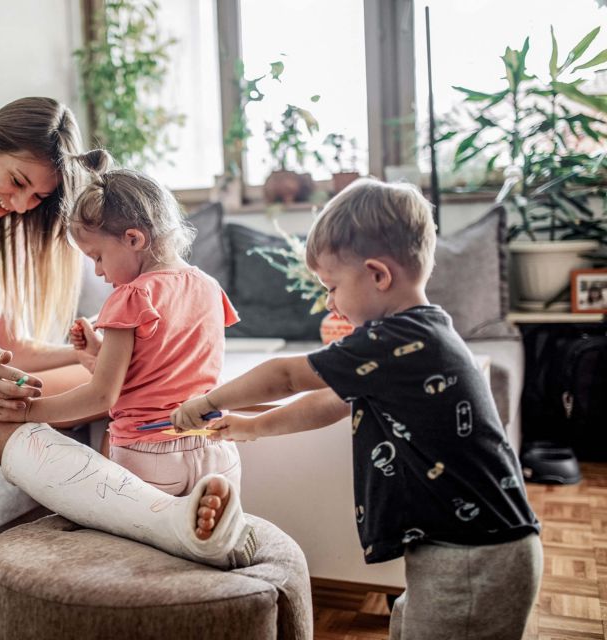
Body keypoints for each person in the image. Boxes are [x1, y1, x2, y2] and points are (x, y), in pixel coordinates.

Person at [0, 97, 254, 569]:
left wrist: (97, 356)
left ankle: (181, 466)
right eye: (19, 182)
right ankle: (165, 518)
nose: (22, 205)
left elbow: (17, 349)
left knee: (114, 381)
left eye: (38, 198)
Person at [172, 178, 542, 635]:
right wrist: (253, 426)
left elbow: (287, 375)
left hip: (475, 555)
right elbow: (329, 403)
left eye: (332, 286)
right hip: (462, 547)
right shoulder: (414, 338)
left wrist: (207, 401)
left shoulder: (398, 339)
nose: (329, 301)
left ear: (378, 275)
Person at [0, 169, 242, 501]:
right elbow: (162, 363)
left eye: (98, 257)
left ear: (133, 239)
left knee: (132, 544)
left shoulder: (132, 296)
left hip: (150, 455)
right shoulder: (209, 287)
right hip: (216, 447)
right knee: (206, 545)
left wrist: (27, 411)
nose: (99, 271)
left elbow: (101, 396)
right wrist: (97, 353)